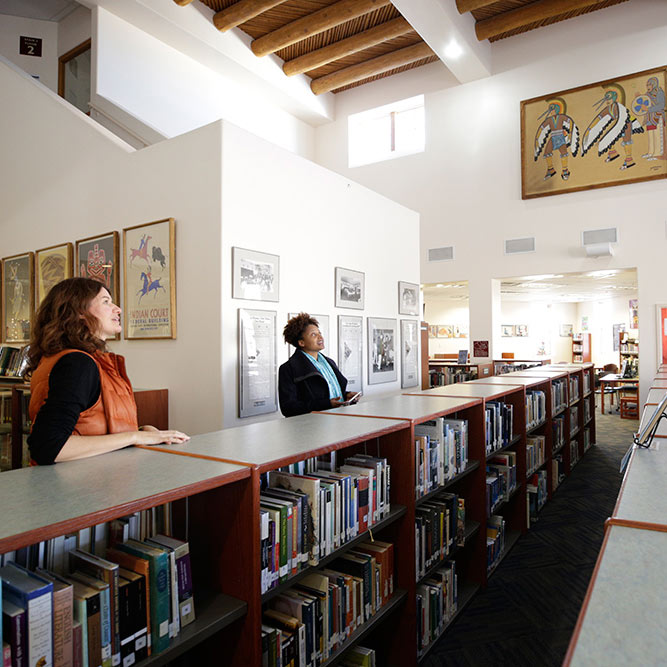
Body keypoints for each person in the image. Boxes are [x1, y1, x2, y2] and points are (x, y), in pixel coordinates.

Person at [26, 277, 189, 464]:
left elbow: (90, 424)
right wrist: (135, 437)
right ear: (79, 311)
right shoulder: (77, 364)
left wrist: (143, 431)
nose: (117, 309)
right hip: (78, 489)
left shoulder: (79, 360)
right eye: (106, 302)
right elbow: (47, 446)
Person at [279, 313, 360, 417]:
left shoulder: (329, 362)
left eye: (320, 333)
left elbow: (329, 392)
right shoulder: (288, 369)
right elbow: (288, 408)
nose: (320, 337)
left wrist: (346, 396)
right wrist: (327, 404)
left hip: (339, 420)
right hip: (312, 426)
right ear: (301, 343)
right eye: (314, 335)